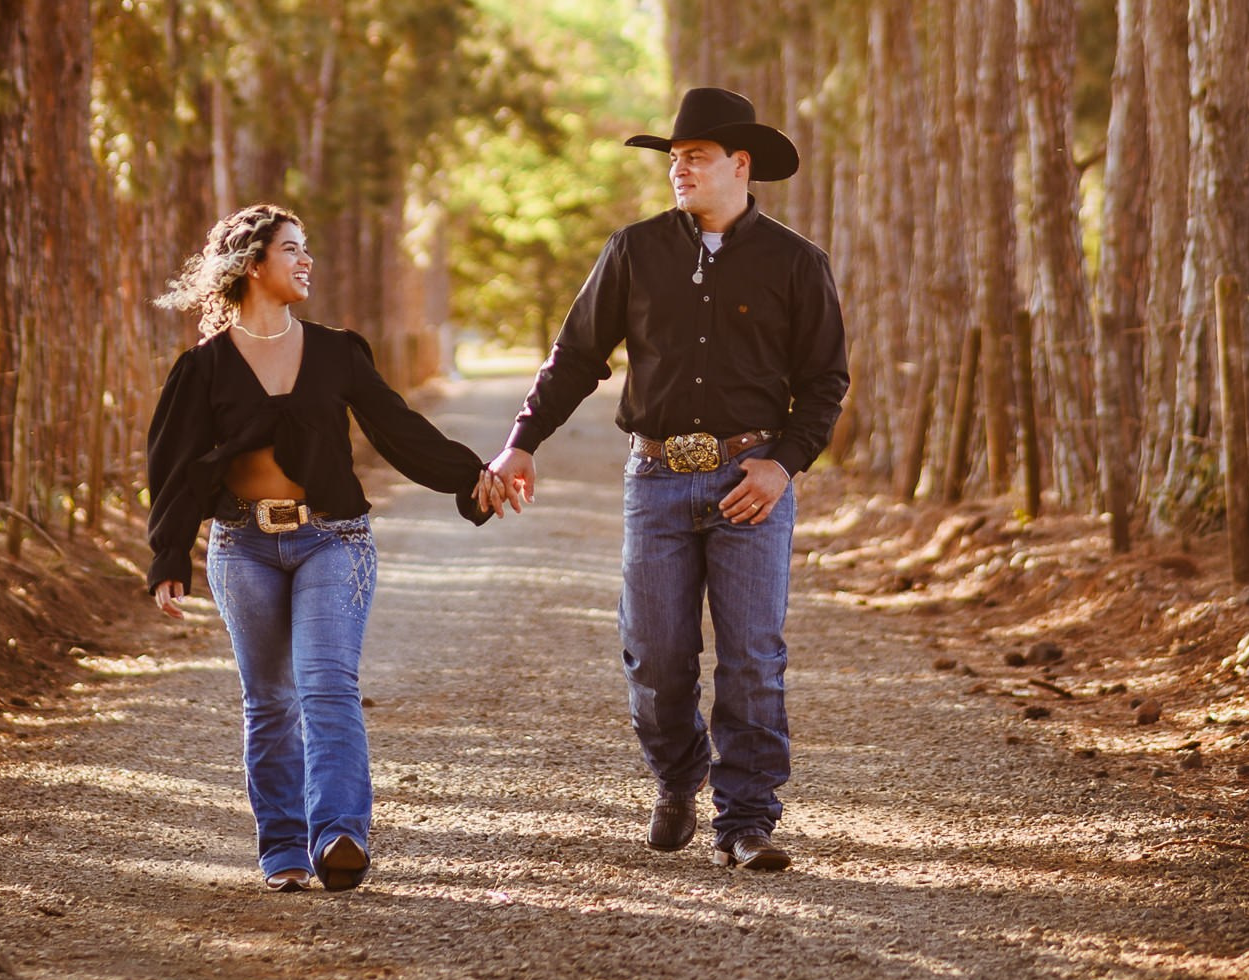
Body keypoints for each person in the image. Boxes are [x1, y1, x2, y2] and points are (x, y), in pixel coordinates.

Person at [489, 86, 847, 873]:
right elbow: (576, 357)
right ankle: (678, 778)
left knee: (753, 654)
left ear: (739, 164)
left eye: (695, 157)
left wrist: (782, 464)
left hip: (748, 482)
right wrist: (522, 442)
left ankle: (747, 819)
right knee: (654, 654)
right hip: (653, 478)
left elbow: (825, 383)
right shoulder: (634, 250)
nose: (679, 170)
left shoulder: (795, 262)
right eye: (674, 159)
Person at [147, 202, 514, 893]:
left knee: (326, 686)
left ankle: (340, 834)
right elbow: (175, 468)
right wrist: (169, 557)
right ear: (253, 266)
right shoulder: (203, 369)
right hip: (242, 546)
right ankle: (281, 848)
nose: (306, 260)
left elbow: (400, 430)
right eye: (292, 250)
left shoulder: (337, 351)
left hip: (333, 540)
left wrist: (474, 477)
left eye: (306, 247)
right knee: (269, 700)